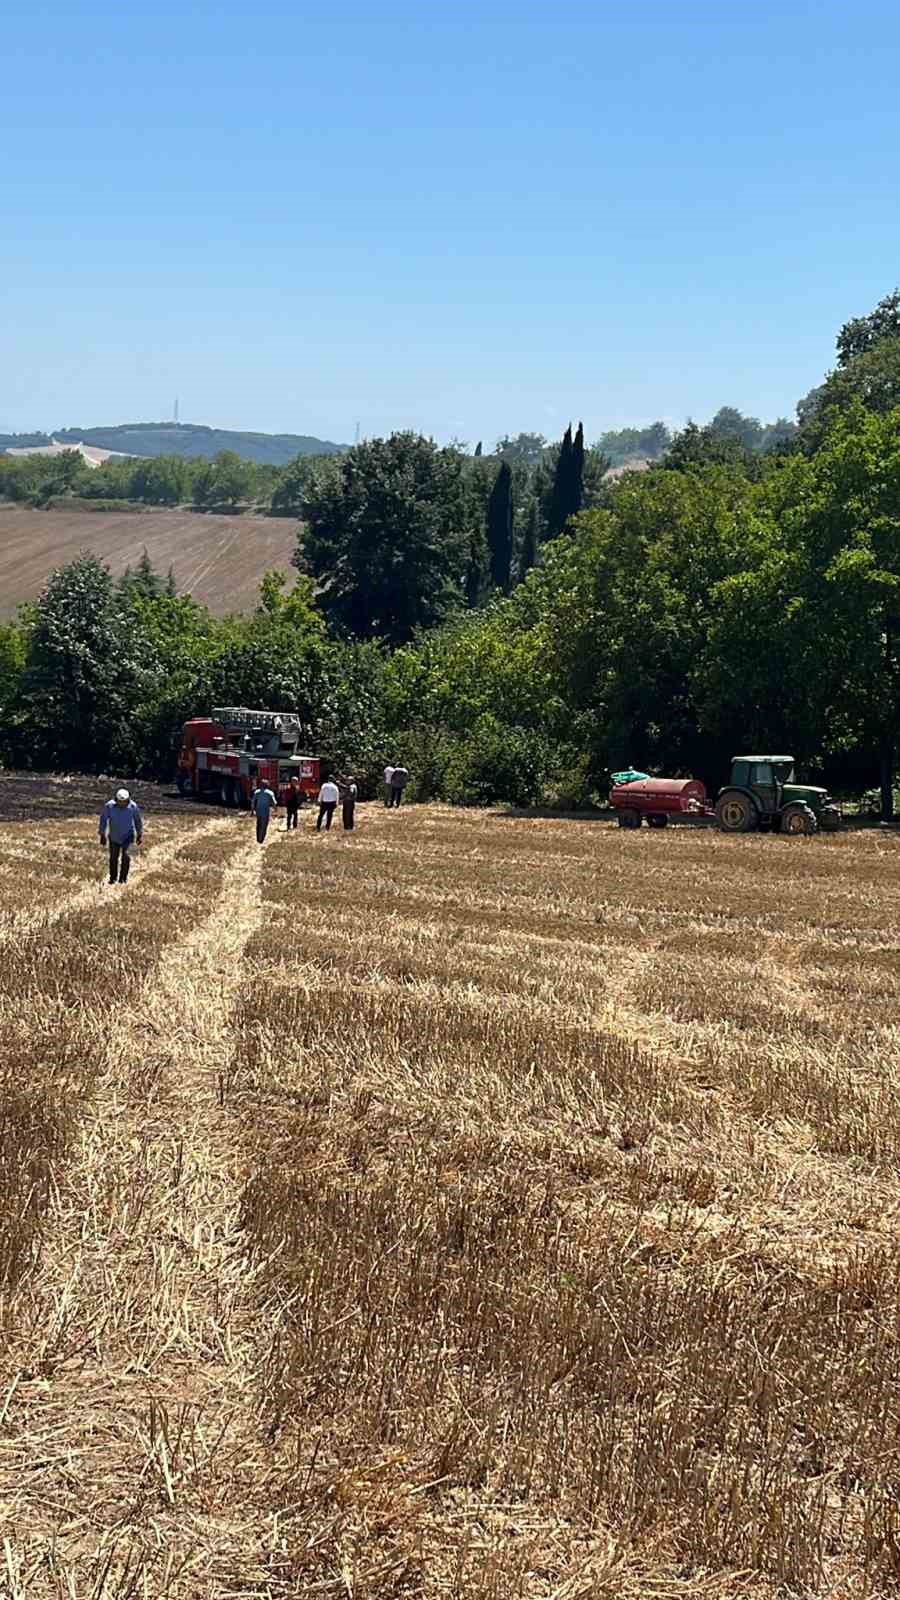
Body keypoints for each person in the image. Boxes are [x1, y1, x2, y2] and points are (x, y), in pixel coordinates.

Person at [99, 788, 143, 884]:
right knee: (113, 858)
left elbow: (137, 821)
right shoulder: (109, 806)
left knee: (126, 858)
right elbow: (103, 820)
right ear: (116, 800)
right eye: (120, 802)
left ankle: (123, 879)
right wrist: (102, 834)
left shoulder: (133, 807)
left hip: (128, 837)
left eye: (125, 802)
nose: (123, 804)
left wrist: (139, 834)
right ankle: (113, 878)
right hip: (114, 836)